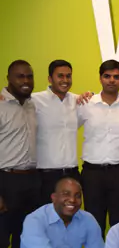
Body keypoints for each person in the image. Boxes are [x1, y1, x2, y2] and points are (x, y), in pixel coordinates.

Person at [77, 59, 119, 235]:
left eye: (116, 77)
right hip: (92, 174)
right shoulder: (85, 104)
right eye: (107, 76)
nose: (111, 80)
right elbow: (68, 128)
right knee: (93, 222)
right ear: (100, 78)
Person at [0, 59, 41, 248]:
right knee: (1, 244)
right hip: (5, 180)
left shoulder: (33, 105)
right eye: (19, 77)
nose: (25, 81)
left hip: (31, 181)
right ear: (8, 78)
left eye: (29, 76)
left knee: (25, 242)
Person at [32, 60, 81, 204]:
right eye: (60, 76)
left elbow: (103, 99)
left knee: (72, 217)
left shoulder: (77, 100)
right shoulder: (34, 100)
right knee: (46, 218)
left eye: (68, 76)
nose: (65, 80)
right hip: (46, 175)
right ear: (49, 78)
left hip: (72, 173)